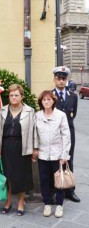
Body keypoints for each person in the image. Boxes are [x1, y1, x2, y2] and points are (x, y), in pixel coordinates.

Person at [0, 84, 34, 216]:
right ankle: (8, 201)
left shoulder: (30, 111)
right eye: (11, 95)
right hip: (6, 146)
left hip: (22, 147)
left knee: (21, 176)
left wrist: (34, 149)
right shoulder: (3, 111)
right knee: (8, 176)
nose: (13, 97)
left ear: (22, 96)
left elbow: (34, 131)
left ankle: (21, 201)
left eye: (16, 95)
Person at [33, 90, 71, 218]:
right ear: (41, 102)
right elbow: (35, 135)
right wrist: (35, 149)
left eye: (49, 99)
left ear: (53, 101)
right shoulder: (37, 115)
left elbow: (66, 135)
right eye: (44, 100)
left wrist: (64, 155)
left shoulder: (61, 115)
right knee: (44, 180)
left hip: (58, 154)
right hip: (43, 154)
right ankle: (47, 204)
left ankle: (59, 205)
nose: (46, 101)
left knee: (59, 181)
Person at [52, 66, 80, 202]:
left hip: (69, 133)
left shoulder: (73, 96)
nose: (61, 81)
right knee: (54, 161)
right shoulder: (49, 96)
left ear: (67, 80)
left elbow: (72, 115)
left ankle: (70, 189)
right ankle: (55, 189)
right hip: (54, 134)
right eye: (59, 78)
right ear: (54, 79)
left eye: (64, 78)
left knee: (69, 159)